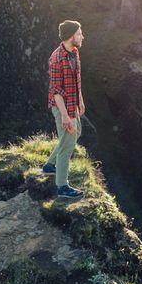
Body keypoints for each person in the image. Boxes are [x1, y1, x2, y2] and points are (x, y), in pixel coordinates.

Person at [43, 20, 86, 199]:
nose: (82, 36)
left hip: (72, 104)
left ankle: (49, 165)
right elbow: (55, 91)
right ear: (70, 37)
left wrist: (80, 101)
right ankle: (62, 186)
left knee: (75, 134)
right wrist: (65, 116)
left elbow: (76, 80)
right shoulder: (57, 58)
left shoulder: (74, 52)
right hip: (62, 107)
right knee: (67, 146)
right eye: (79, 33)